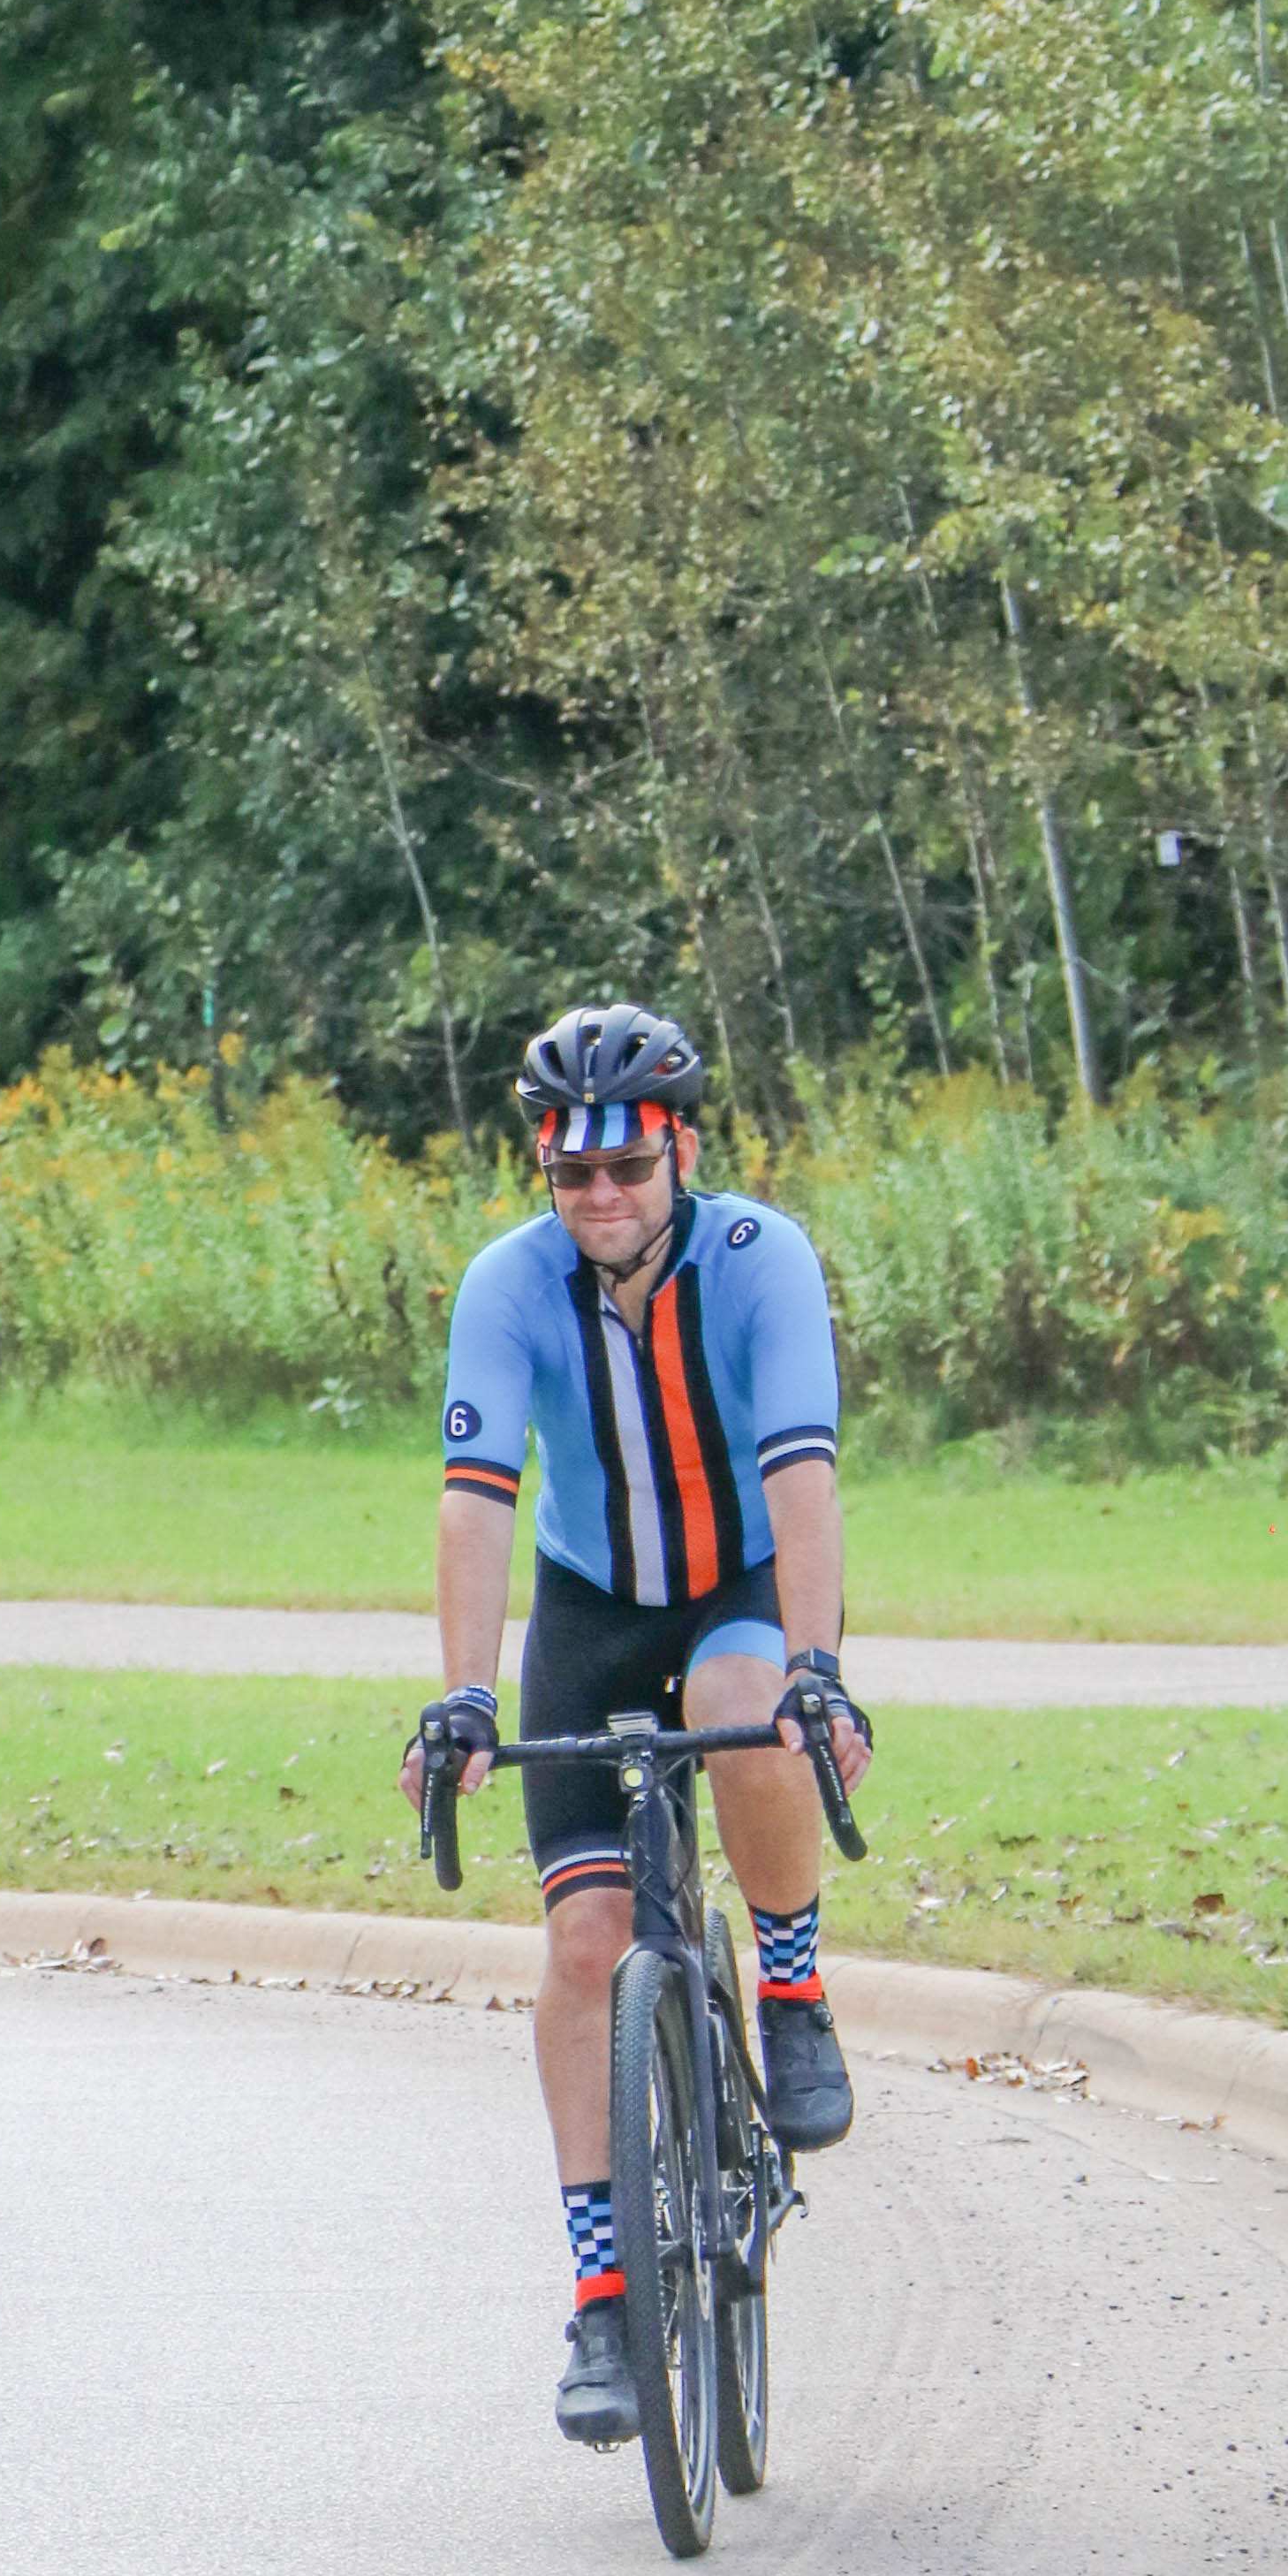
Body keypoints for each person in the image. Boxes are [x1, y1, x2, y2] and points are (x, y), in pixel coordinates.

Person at [406, 1001, 873, 2450]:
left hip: (738, 1587)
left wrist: (817, 1668)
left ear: (678, 1151)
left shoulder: (758, 1260)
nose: (600, 1197)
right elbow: (477, 1503)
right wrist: (468, 1696)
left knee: (747, 1709)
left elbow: (803, 1474)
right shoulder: (508, 1283)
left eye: (627, 1167)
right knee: (585, 1941)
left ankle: (788, 1994)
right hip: (594, 1608)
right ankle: (605, 2299)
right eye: (570, 1173)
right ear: (546, 1172)